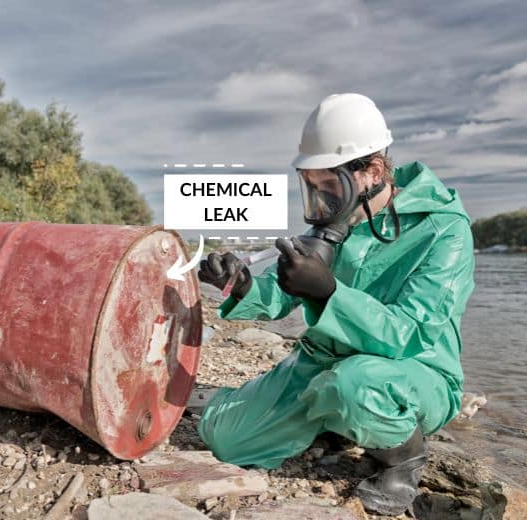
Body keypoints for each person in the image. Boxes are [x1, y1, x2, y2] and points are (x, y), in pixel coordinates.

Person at [196, 93, 475, 516]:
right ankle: (333, 418)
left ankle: (404, 456)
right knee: (225, 437)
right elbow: (279, 292)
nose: (320, 198)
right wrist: (240, 284)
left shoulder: (445, 233)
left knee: (354, 386)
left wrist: (329, 293)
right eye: (313, 185)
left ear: (373, 172)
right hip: (325, 362)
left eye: (329, 185)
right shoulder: (338, 223)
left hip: (415, 372)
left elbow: (414, 332)